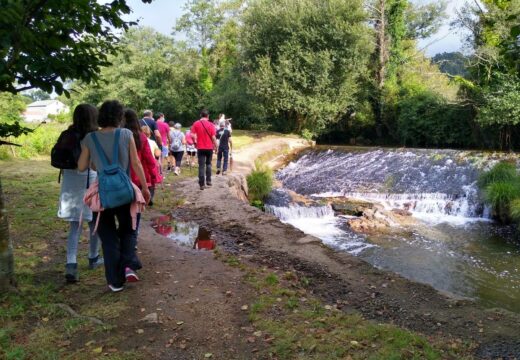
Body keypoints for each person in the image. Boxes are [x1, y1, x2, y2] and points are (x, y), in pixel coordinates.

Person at [78, 100, 150, 292]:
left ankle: (114, 282)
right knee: (128, 229)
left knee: (108, 236)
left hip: (103, 194)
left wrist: (99, 164)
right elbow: (136, 163)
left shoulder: (89, 138)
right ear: (120, 117)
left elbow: (82, 167)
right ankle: (127, 265)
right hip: (125, 191)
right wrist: (144, 187)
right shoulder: (126, 134)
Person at [57, 104, 103, 283]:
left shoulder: (67, 134)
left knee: (74, 226)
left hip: (70, 180)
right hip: (89, 180)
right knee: (94, 223)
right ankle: (93, 257)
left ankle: (71, 263)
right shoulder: (94, 137)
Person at [191, 109, 217, 190]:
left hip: (200, 147)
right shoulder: (211, 124)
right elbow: (213, 137)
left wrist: (195, 142)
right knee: (208, 164)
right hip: (209, 148)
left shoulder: (196, 123)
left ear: (200, 115)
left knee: (201, 166)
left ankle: (202, 184)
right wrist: (216, 146)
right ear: (208, 116)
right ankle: (208, 181)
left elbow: (192, 135)